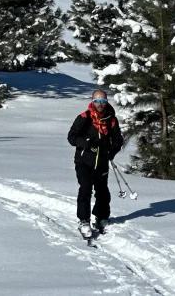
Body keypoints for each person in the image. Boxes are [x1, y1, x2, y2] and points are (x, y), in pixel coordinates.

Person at [66, 89, 126, 238]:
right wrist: (85, 143)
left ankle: (101, 218)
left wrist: (111, 151)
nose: (100, 104)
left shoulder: (111, 120)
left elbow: (118, 139)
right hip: (84, 161)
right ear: (92, 101)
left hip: (102, 162)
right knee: (85, 189)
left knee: (103, 192)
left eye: (103, 101)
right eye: (97, 101)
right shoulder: (84, 118)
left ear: (106, 102)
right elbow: (71, 137)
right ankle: (84, 220)